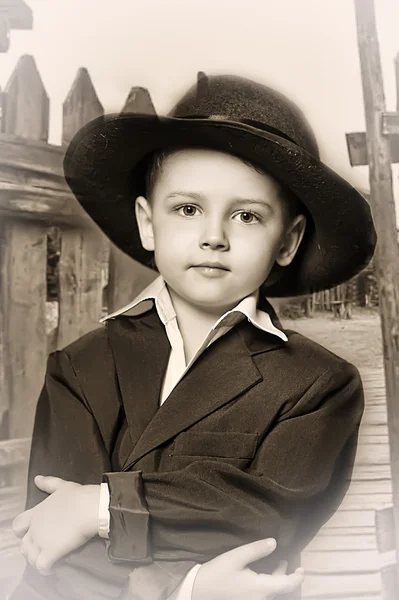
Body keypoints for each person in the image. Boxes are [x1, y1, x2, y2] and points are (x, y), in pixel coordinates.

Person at [10, 73, 376, 600]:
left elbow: (267, 514)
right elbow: (51, 536)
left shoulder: (320, 384)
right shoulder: (80, 366)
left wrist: (99, 508)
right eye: (187, 208)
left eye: (247, 216)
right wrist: (181, 590)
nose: (214, 236)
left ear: (289, 241)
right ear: (147, 222)